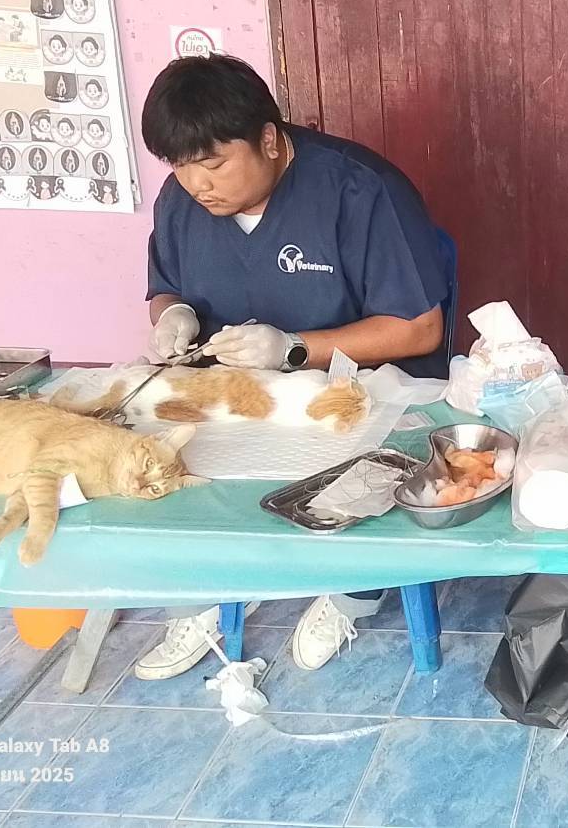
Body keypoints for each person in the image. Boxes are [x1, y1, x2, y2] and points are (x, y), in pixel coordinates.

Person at [134, 54, 449, 681]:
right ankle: (207, 591)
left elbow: (419, 328)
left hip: (357, 393)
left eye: (214, 164)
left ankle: (348, 592)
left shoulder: (361, 191)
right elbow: (166, 286)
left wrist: (294, 349)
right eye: (179, 166)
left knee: (365, 471)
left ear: (270, 140)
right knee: (160, 455)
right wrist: (173, 316)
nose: (197, 184)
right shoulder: (180, 200)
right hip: (239, 395)